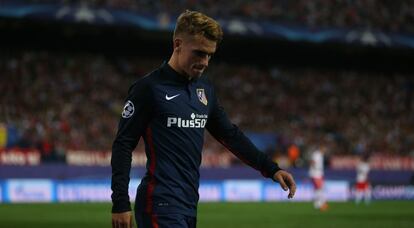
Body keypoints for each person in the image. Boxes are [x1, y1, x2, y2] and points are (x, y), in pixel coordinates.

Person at [111, 10, 296, 228]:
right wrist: (121, 202)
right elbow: (123, 144)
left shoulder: (204, 89)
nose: (205, 61)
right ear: (177, 44)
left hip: (189, 204)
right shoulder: (149, 88)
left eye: (209, 55)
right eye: (199, 53)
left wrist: (271, 169)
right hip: (159, 204)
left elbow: (230, 135)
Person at [308, 144, 328, 211]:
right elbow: (312, 162)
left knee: (317, 189)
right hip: (316, 174)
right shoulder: (317, 154)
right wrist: (315, 168)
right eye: (324, 149)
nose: (325, 150)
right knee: (320, 188)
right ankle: (321, 203)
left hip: (318, 173)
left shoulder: (320, 155)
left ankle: (317, 203)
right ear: (321, 148)